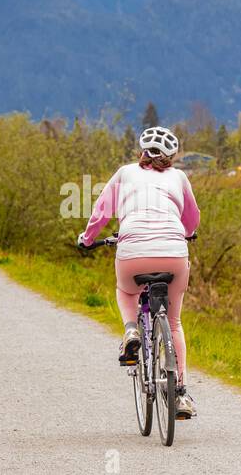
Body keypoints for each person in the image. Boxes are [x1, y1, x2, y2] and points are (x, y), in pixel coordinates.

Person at [77, 126, 200, 417]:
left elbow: (101, 212)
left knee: (126, 289)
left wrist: (88, 238)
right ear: (171, 156)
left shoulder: (125, 173)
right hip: (174, 254)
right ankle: (180, 394)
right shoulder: (179, 177)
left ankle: (131, 330)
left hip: (132, 254)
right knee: (174, 322)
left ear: (141, 152)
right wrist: (188, 232)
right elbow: (192, 218)